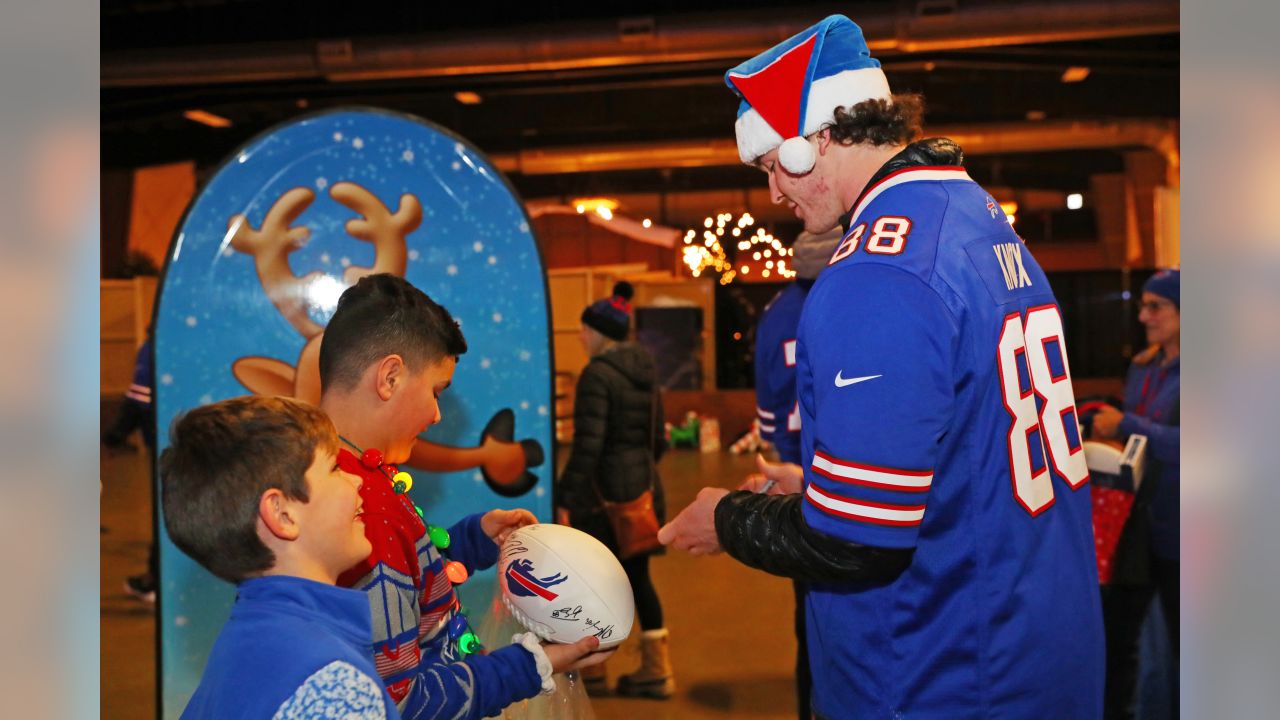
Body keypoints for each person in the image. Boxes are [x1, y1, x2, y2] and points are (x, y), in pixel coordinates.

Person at [658, 14, 1103, 719]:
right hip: (1034, 638)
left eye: (773, 162)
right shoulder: (973, 214)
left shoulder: (876, 272)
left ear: (817, 140)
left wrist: (731, 518)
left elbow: (856, 541)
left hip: (940, 668)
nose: (774, 191)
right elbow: (968, 443)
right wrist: (817, 483)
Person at [318, 273, 607, 718]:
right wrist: (533, 664)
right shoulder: (362, 506)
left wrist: (472, 539)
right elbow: (405, 703)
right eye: (436, 392)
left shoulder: (353, 475)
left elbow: (405, 570)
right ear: (390, 376)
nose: (436, 415)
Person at [161, 395, 399, 717]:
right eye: (335, 467)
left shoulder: (247, 643)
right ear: (282, 514)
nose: (356, 479)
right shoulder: (336, 687)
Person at [555, 281, 674, 699]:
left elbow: (589, 447)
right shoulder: (645, 371)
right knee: (639, 580)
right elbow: (659, 439)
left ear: (601, 332)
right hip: (643, 493)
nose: (582, 337)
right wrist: (638, 472)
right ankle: (657, 670)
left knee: (596, 583)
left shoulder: (597, 375)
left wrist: (565, 496)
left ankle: (594, 672)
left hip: (603, 500)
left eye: (586, 330)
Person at [749, 228, 839, 720]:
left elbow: (766, 414)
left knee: (809, 611)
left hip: (791, 475)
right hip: (844, 476)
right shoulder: (851, 301)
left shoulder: (775, 312)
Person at [1090, 269, 1180, 719]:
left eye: (1156, 306)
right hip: (1140, 526)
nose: (1144, 316)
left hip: (1185, 532)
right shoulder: (1146, 367)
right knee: (1123, 636)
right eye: (1143, 306)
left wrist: (1125, 424)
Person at [101, 332, 159, 602]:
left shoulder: (156, 342)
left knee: (170, 512)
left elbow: (139, 400)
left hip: (168, 446)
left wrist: (113, 438)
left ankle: (155, 580)